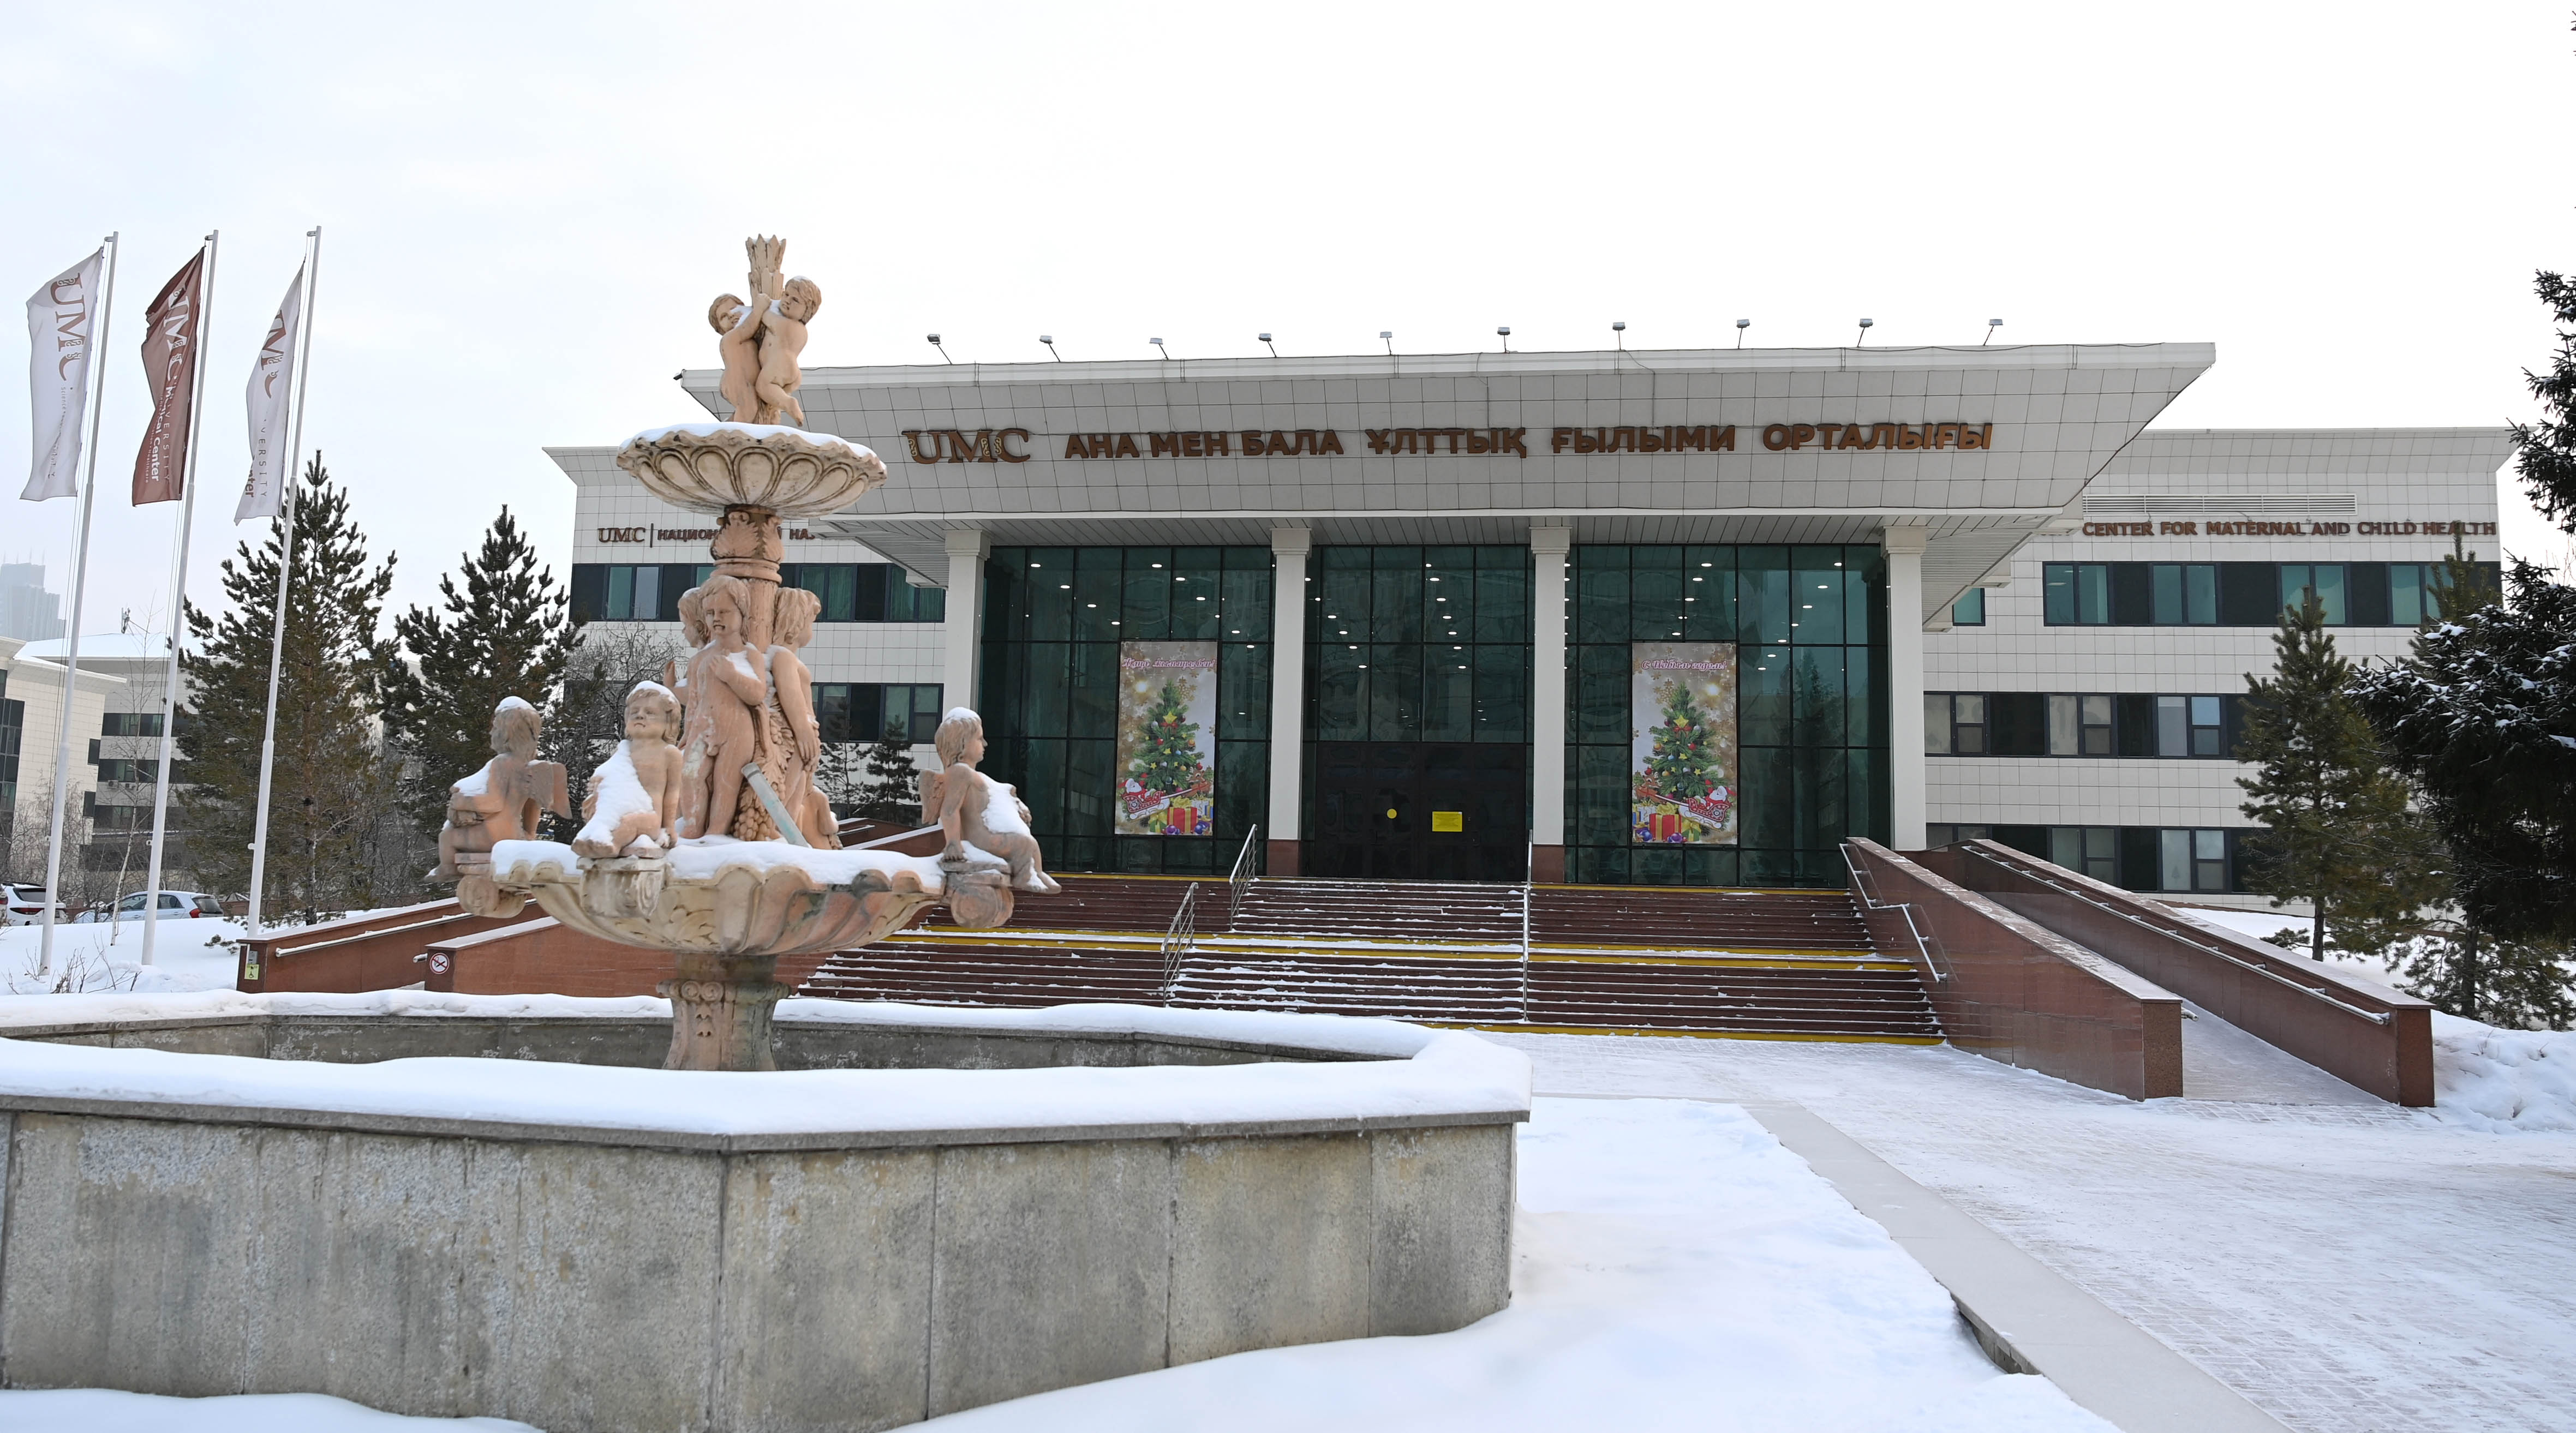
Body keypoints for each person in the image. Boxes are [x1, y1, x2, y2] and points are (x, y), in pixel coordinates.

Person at [667, 575, 770, 840]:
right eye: (711, 613)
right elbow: (694, 700)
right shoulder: (700, 659)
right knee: (690, 774)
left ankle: (715, 833)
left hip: (738, 731)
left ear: (742, 613)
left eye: (724, 612)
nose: (717, 618)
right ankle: (692, 827)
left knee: (727, 783)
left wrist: (732, 676)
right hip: (703, 728)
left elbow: (757, 694)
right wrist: (687, 733)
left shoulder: (749, 655)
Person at [923, 707, 1059, 894]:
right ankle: (1025, 876)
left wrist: (1016, 803)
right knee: (1023, 843)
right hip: (981, 838)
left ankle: (1038, 873)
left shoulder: (975, 775)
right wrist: (953, 843)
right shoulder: (958, 772)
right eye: (980, 739)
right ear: (962, 743)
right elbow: (949, 810)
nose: (985, 744)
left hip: (987, 835)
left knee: (1030, 843)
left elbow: (1000, 791)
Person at [573, 682, 685, 858]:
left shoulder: (669, 753)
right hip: (616, 810)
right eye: (635, 712)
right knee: (605, 821)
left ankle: (611, 845)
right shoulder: (624, 749)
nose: (640, 715)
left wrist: (669, 827)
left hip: (650, 818)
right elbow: (610, 774)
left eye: (650, 712)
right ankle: (589, 841)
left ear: (668, 722)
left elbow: (673, 793)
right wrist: (598, 784)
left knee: (629, 822)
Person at [765, 586, 840, 847]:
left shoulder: (786, 658)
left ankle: (788, 833)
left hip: (804, 735)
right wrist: (804, 731)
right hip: (795, 737)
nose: (812, 629)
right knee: (788, 792)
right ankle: (775, 828)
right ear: (795, 623)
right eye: (810, 622)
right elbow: (790, 696)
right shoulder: (783, 657)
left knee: (798, 789)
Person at [753, 275, 817, 427]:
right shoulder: (802, 331)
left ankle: (789, 404)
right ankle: (777, 413)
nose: (787, 300)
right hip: (792, 372)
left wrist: (761, 305)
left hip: (778, 366)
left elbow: (765, 316)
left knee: (763, 386)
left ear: (807, 311)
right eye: (786, 294)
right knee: (775, 399)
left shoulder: (787, 324)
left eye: (795, 300)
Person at [707, 293, 761, 422]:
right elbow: (749, 327)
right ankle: (738, 433)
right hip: (736, 381)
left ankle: (727, 428)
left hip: (745, 381)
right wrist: (760, 309)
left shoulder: (750, 337)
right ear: (720, 328)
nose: (731, 315)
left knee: (745, 409)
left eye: (733, 309)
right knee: (748, 408)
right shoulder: (730, 337)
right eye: (723, 316)